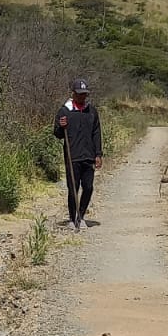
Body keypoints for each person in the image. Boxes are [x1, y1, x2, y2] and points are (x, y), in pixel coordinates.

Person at [53, 78, 103, 229]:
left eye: (84, 94)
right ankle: (72, 218)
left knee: (88, 187)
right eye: (80, 94)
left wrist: (98, 154)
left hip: (89, 155)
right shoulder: (64, 111)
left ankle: (81, 216)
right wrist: (61, 126)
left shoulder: (91, 111)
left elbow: (96, 133)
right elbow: (58, 134)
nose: (82, 97)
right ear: (73, 93)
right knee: (73, 188)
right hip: (72, 156)